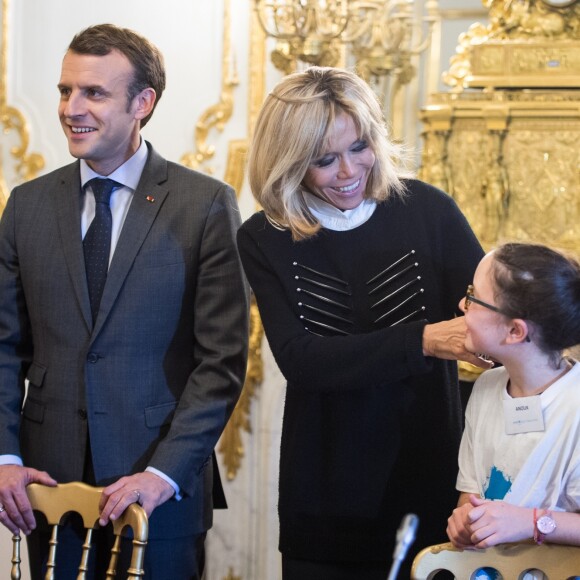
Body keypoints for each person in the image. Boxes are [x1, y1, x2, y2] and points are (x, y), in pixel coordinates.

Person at [0, 23, 249, 579]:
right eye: (66, 91)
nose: (71, 108)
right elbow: (3, 347)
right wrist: (5, 457)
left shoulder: (205, 206)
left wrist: (163, 474)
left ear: (143, 102)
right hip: (49, 489)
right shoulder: (26, 206)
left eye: (93, 92)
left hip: (159, 490)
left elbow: (221, 363)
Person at [236, 66, 490, 580]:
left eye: (360, 147)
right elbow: (303, 361)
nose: (349, 170)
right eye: (324, 160)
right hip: (326, 495)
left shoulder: (428, 210)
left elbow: (493, 320)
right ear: (288, 162)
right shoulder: (265, 237)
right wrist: (422, 340)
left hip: (429, 475)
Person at [447, 243, 580, 562]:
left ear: (514, 331)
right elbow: (471, 494)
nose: (461, 304)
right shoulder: (487, 386)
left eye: (473, 296)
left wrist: (531, 522)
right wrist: (465, 520)